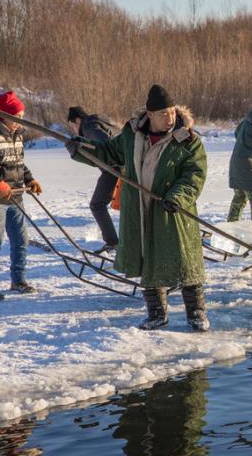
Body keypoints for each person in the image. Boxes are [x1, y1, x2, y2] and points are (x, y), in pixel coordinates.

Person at [66, 84, 210, 331]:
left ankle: (196, 313)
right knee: (146, 258)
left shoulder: (188, 140)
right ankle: (156, 314)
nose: (170, 118)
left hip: (171, 210)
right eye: (163, 113)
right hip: (139, 209)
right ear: (150, 114)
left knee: (186, 260)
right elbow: (109, 153)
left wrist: (177, 196)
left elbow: (195, 174)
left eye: (172, 112)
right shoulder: (132, 134)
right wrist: (81, 148)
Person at [0, 91, 41, 300]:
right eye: (17, 117)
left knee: (21, 239)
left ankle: (18, 280)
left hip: (15, 194)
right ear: (4, 115)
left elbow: (18, 163)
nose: (20, 121)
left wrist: (30, 179)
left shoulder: (17, 133)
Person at [67, 106, 121, 252]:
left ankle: (112, 242)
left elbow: (106, 145)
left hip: (114, 168)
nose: (73, 129)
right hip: (120, 166)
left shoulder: (89, 126)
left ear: (77, 120)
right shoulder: (102, 121)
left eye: (72, 126)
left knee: (97, 204)